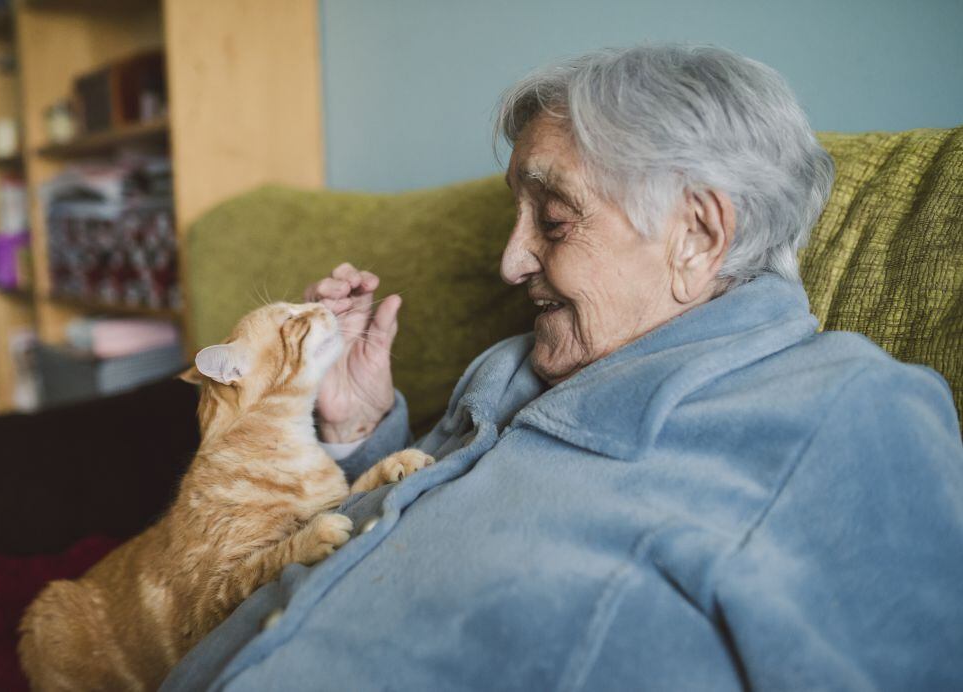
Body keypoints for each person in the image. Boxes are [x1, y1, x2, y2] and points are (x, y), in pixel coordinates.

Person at [164, 45, 963, 690]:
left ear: (697, 234)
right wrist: (357, 424)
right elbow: (400, 539)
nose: (513, 260)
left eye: (553, 218)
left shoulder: (852, 410)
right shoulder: (515, 366)